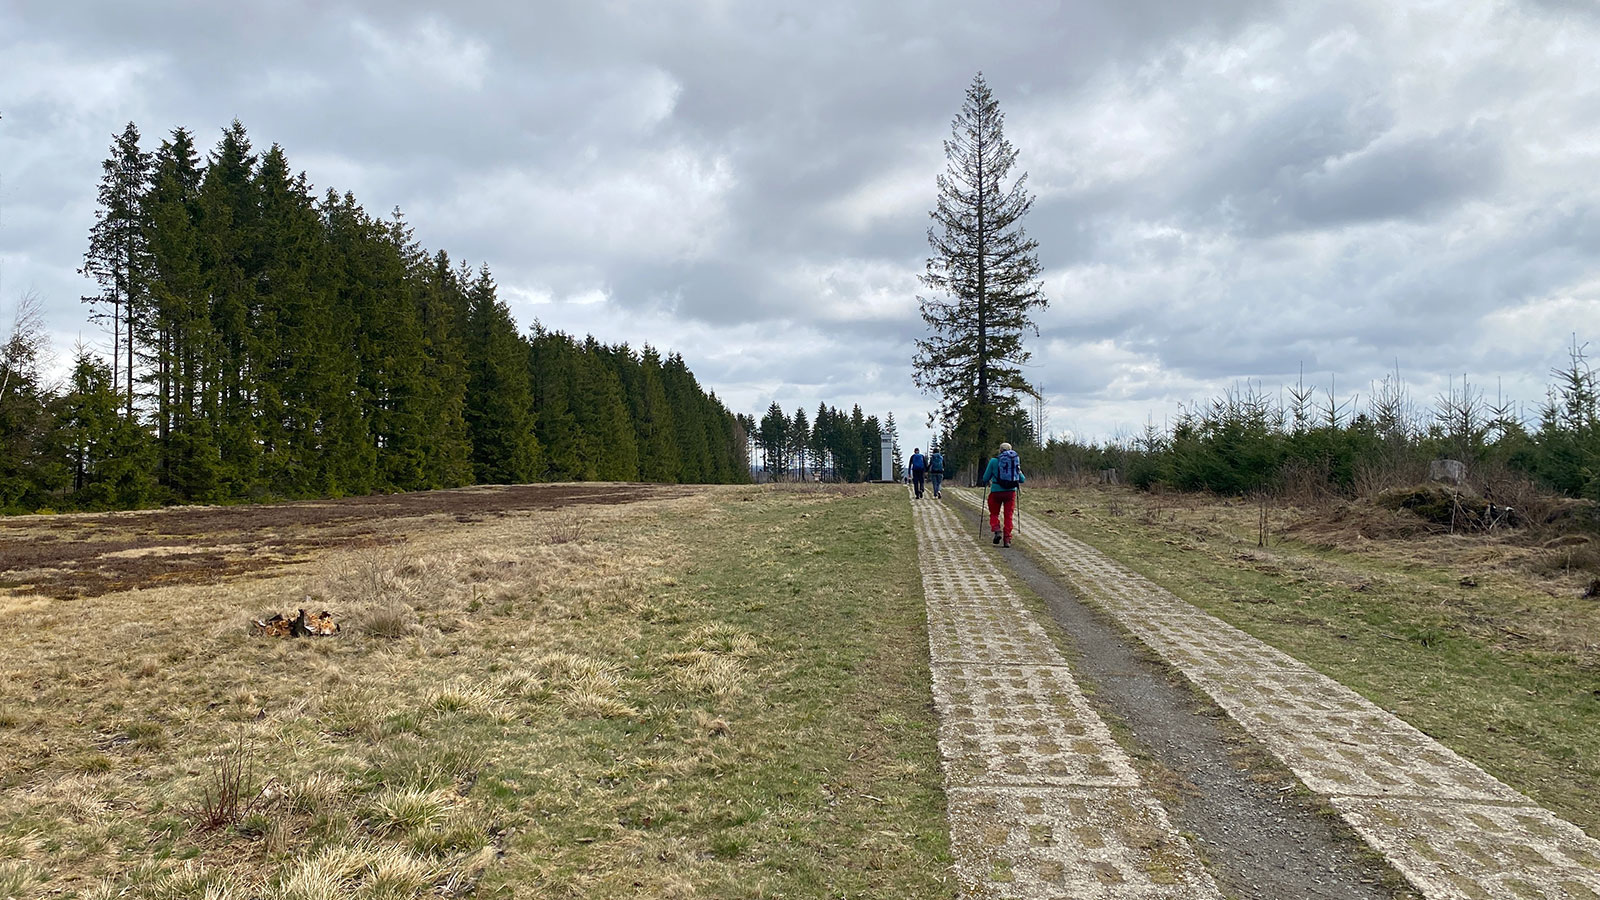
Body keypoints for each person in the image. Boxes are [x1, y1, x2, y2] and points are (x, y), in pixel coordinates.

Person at [980, 442, 1024, 547]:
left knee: (994, 513)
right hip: (1010, 492)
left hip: (996, 492)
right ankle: (1007, 539)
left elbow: (985, 478)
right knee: (1008, 516)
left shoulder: (993, 461)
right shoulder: (1014, 462)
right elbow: (1022, 479)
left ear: (1000, 450)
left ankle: (996, 529)